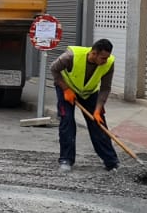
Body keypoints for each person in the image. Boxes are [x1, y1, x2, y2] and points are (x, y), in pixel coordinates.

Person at [49, 39, 118, 172]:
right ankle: (66, 160)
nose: (105, 61)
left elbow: (105, 88)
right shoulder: (70, 57)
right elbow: (54, 69)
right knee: (67, 121)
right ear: (94, 53)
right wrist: (66, 89)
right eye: (103, 58)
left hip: (89, 92)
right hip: (67, 89)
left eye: (107, 57)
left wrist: (97, 111)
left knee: (99, 124)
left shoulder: (109, 63)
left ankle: (111, 161)